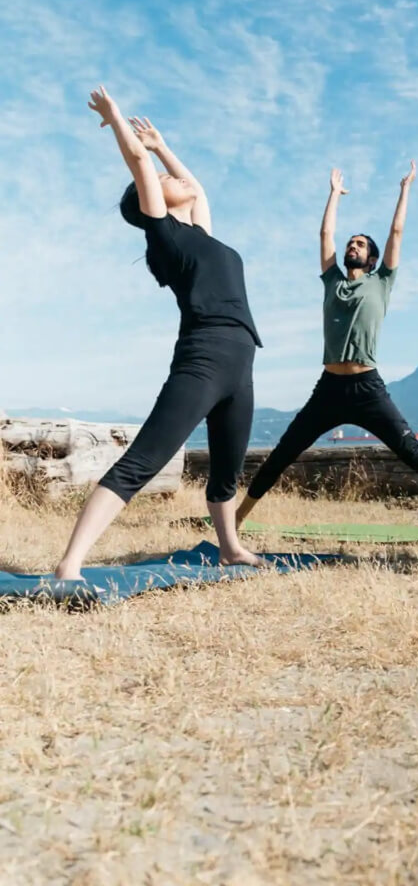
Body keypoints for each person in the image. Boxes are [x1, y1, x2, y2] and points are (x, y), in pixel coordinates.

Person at [55, 87, 263, 579]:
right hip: (204, 356)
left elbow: (198, 189)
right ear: (152, 204)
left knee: (227, 467)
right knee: (142, 461)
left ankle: (230, 547)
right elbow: (139, 166)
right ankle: (70, 563)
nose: (174, 178)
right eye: (164, 179)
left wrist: (164, 145)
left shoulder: (204, 237)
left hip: (241, 359)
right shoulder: (167, 236)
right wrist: (117, 121)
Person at [236, 164, 418, 540]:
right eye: (350, 242)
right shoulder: (332, 281)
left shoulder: (381, 282)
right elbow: (324, 234)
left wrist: (405, 190)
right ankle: (236, 521)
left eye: (360, 244)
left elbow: (397, 232)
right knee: (283, 452)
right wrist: (334, 194)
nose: (352, 246)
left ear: (371, 259)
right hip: (329, 388)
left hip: (367, 387)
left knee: (414, 454)